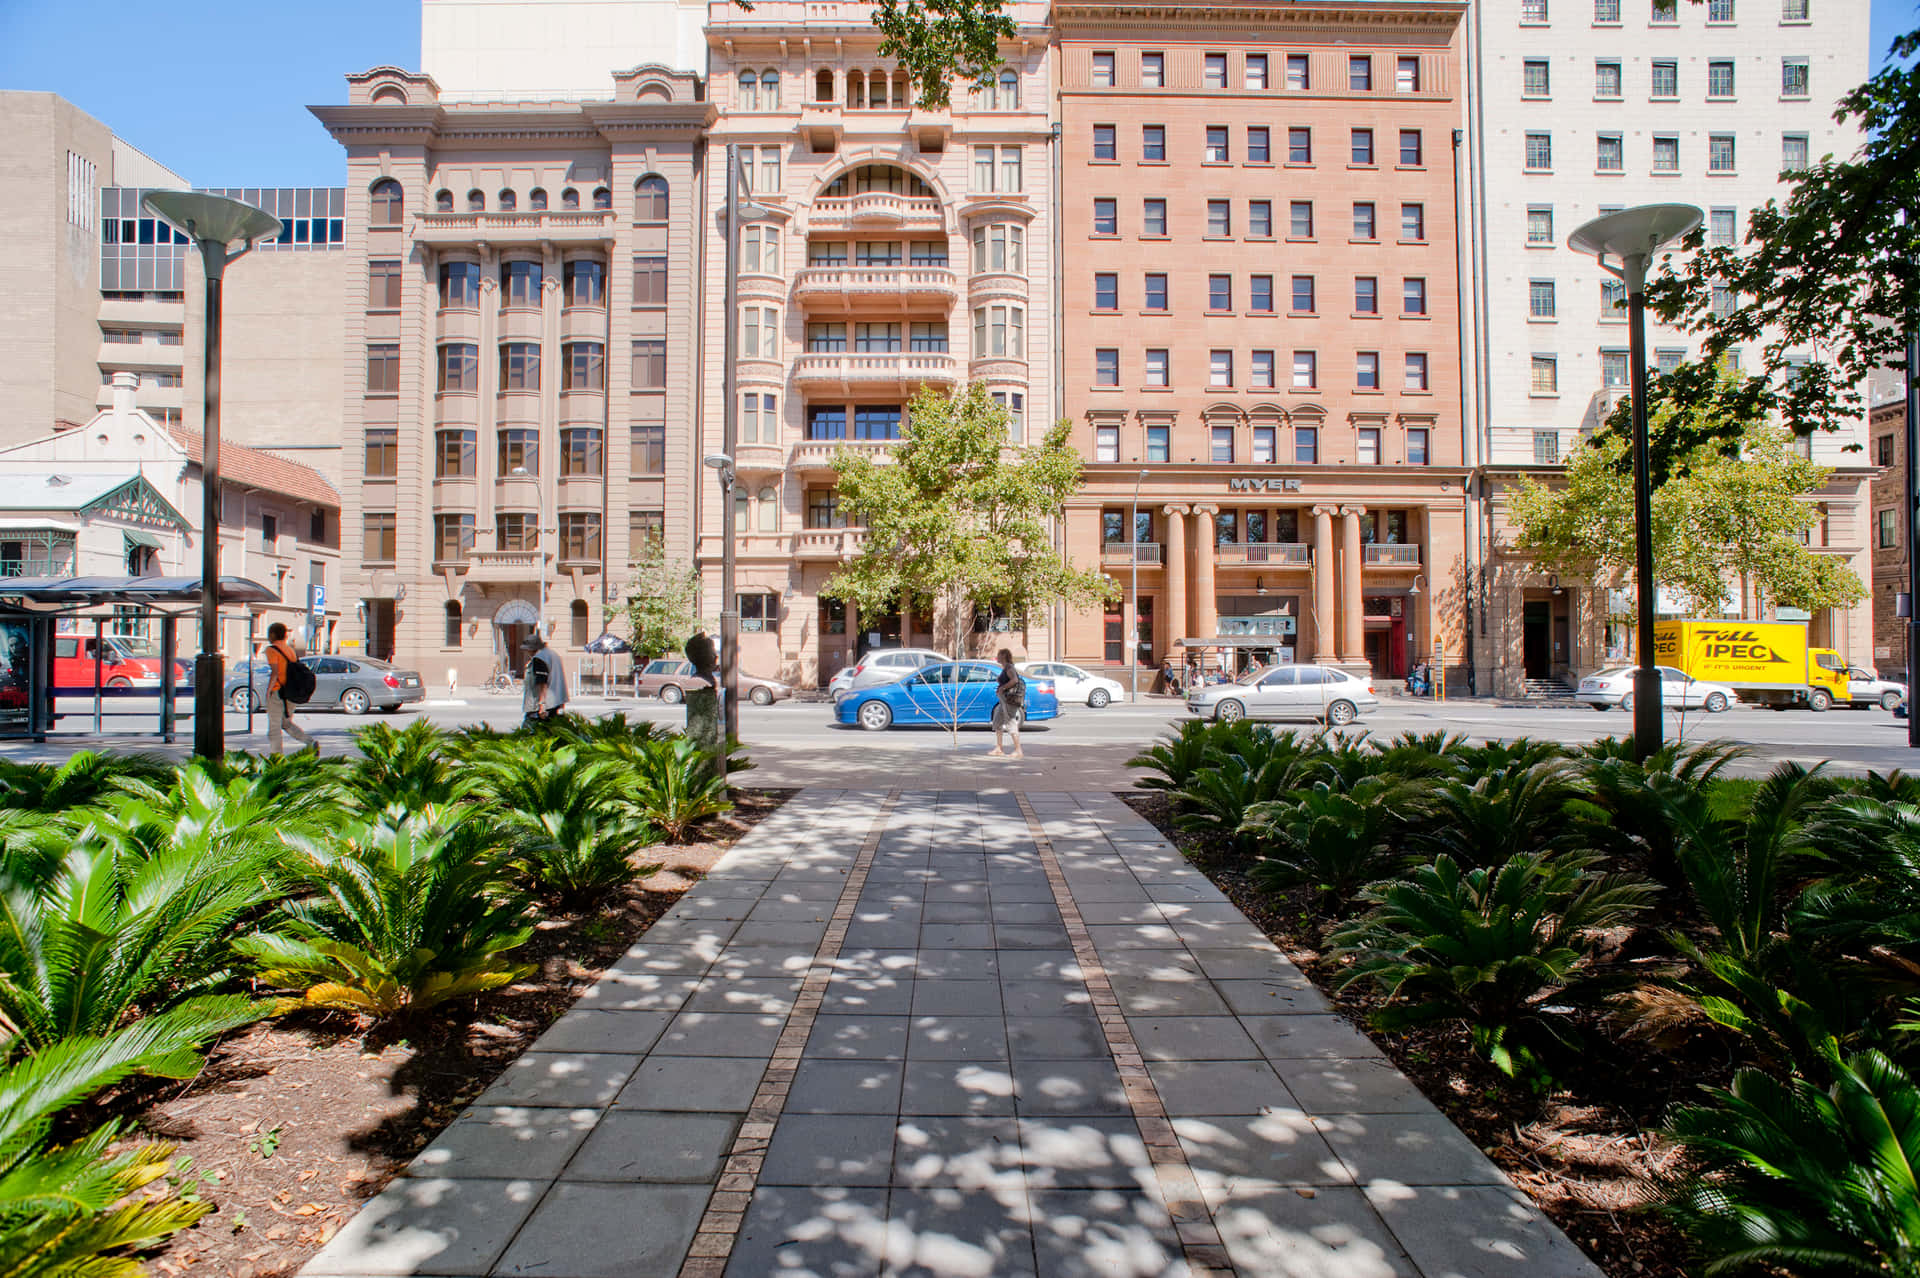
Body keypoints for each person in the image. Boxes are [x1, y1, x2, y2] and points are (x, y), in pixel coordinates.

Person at [263, 622, 316, 755]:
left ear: (273, 634)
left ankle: (276, 758)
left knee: (274, 728)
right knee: (286, 724)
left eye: (269, 633)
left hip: (278, 692)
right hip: (291, 692)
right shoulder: (289, 649)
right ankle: (310, 742)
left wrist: (268, 691)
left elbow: (275, 672)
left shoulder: (271, 650)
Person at [522, 632, 569, 726]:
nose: (526, 652)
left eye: (527, 649)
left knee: (530, 730)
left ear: (532, 648)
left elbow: (542, 683)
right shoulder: (551, 654)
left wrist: (542, 704)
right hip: (555, 701)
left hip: (542, 705)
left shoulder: (539, 658)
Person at [988, 647, 1026, 760]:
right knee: (997, 721)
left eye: (999, 654)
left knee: (1011, 722)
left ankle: (1018, 750)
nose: (997, 657)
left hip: (1009, 701)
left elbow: (1014, 680)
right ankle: (999, 748)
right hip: (1003, 701)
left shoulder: (1009, 667)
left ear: (1003, 656)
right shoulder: (1005, 667)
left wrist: (1003, 687)